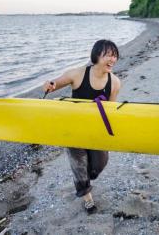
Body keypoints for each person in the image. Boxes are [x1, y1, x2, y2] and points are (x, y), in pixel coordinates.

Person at [43, 39, 121, 213]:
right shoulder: (77, 74)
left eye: (115, 55)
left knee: (100, 164)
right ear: (96, 55)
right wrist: (50, 85)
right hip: (74, 129)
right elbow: (56, 83)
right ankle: (87, 199)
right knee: (79, 167)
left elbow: (110, 110)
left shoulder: (114, 82)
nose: (112, 59)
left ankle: (87, 176)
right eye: (108, 55)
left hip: (96, 130)